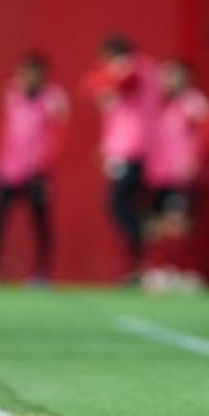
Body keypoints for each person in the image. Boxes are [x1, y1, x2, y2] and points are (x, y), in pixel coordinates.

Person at [0, 52, 68, 283]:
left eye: (33, 73)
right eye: (24, 72)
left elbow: (58, 136)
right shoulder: (12, 93)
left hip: (36, 173)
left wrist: (44, 166)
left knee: (40, 224)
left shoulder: (54, 99)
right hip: (7, 170)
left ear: (42, 75)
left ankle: (41, 272)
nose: (28, 77)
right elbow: (3, 129)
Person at [80, 35, 161, 280]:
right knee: (126, 207)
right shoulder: (137, 69)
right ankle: (140, 264)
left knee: (119, 206)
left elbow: (96, 84)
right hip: (128, 149)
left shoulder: (133, 66)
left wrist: (102, 78)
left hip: (134, 150)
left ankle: (144, 259)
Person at [142, 59, 209, 291]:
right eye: (165, 76)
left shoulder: (193, 102)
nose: (167, 81)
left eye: (173, 75)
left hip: (182, 177)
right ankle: (162, 270)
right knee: (158, 225)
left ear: (186, 77)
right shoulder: (163, 104)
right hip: (160, 176)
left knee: (180, 224)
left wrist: (195, 158)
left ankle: (187, 272)